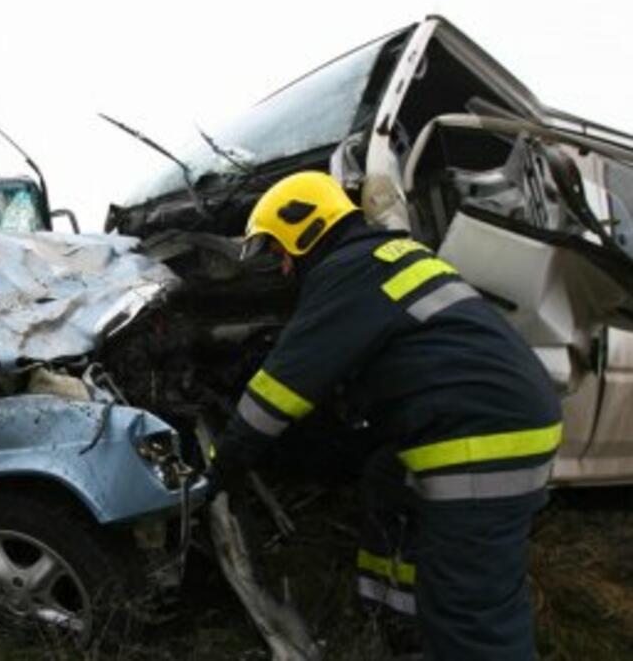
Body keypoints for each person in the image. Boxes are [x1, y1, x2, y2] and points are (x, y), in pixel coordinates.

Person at [207, 170, 561, 660]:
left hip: (485, 439)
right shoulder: (385, 254)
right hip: (499, 419)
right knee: (384, 481)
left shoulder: (347, 272)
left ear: (303, 228)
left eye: (278, 250)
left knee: (470, 610)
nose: (282, 268)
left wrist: (220, 467)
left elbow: (275, 395)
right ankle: (399, 625)